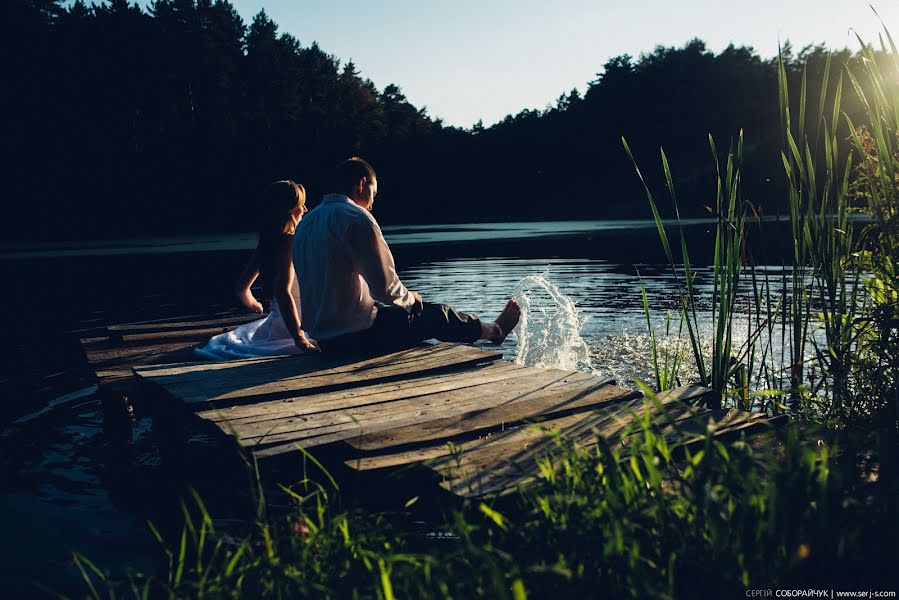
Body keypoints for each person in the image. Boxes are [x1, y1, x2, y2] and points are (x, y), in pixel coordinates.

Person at [292, 157, 520, 356]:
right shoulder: (356, 218)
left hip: (324, 340)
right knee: (436, 315)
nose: (372, 203)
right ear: (362, 184)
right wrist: (411, 299)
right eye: (373, 193)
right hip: (356, 338)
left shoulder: (306, 223)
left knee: (405, 318)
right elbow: (383, 289)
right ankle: (495, 331)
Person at [196, 180, 318, 360]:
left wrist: (256, 305)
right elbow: (283, 292)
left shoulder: (266, 244)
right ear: (290, 211)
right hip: (295, 326)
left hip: (277, 324)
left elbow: (241, 289)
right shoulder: (289, 242)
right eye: (301, 205)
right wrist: (299, 337)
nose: (305, 210)